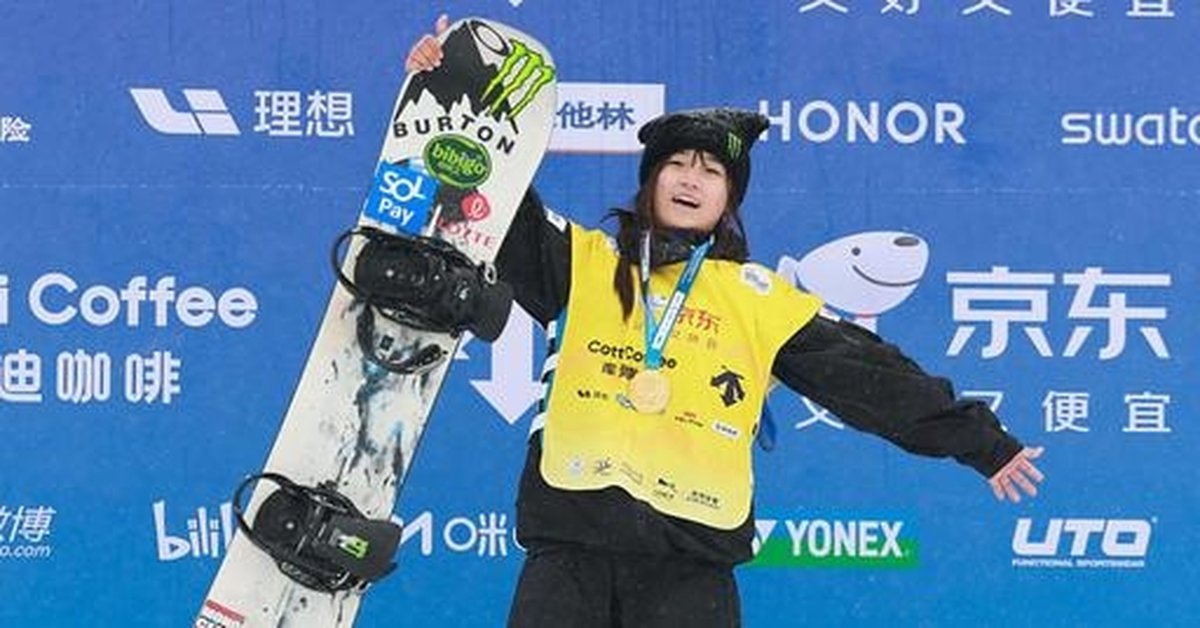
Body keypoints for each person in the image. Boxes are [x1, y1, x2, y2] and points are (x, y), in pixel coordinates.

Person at [406, 16, 1045, 628]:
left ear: (728, 200)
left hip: (691, 568)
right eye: (677, 164)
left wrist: (980, 442)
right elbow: (491, 201)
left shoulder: (757, 298)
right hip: (570, 557)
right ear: (651, 181)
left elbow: (870, 378)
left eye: (712, 171)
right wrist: (449, 92)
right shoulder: (583, 260)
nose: (692, 179)